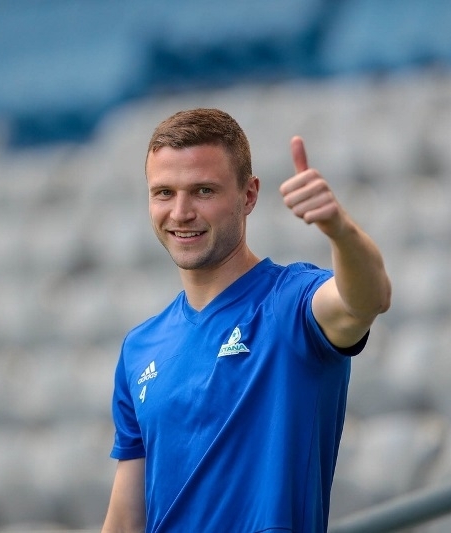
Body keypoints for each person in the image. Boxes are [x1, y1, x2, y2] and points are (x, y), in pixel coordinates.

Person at [102, 108, 391, 533]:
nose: (180, 212)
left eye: (203, 190)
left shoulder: (290, 304)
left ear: (249, 195)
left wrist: (340, 230)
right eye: (163, 193)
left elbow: (367, 300)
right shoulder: (139, 347)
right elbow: (126, 520)